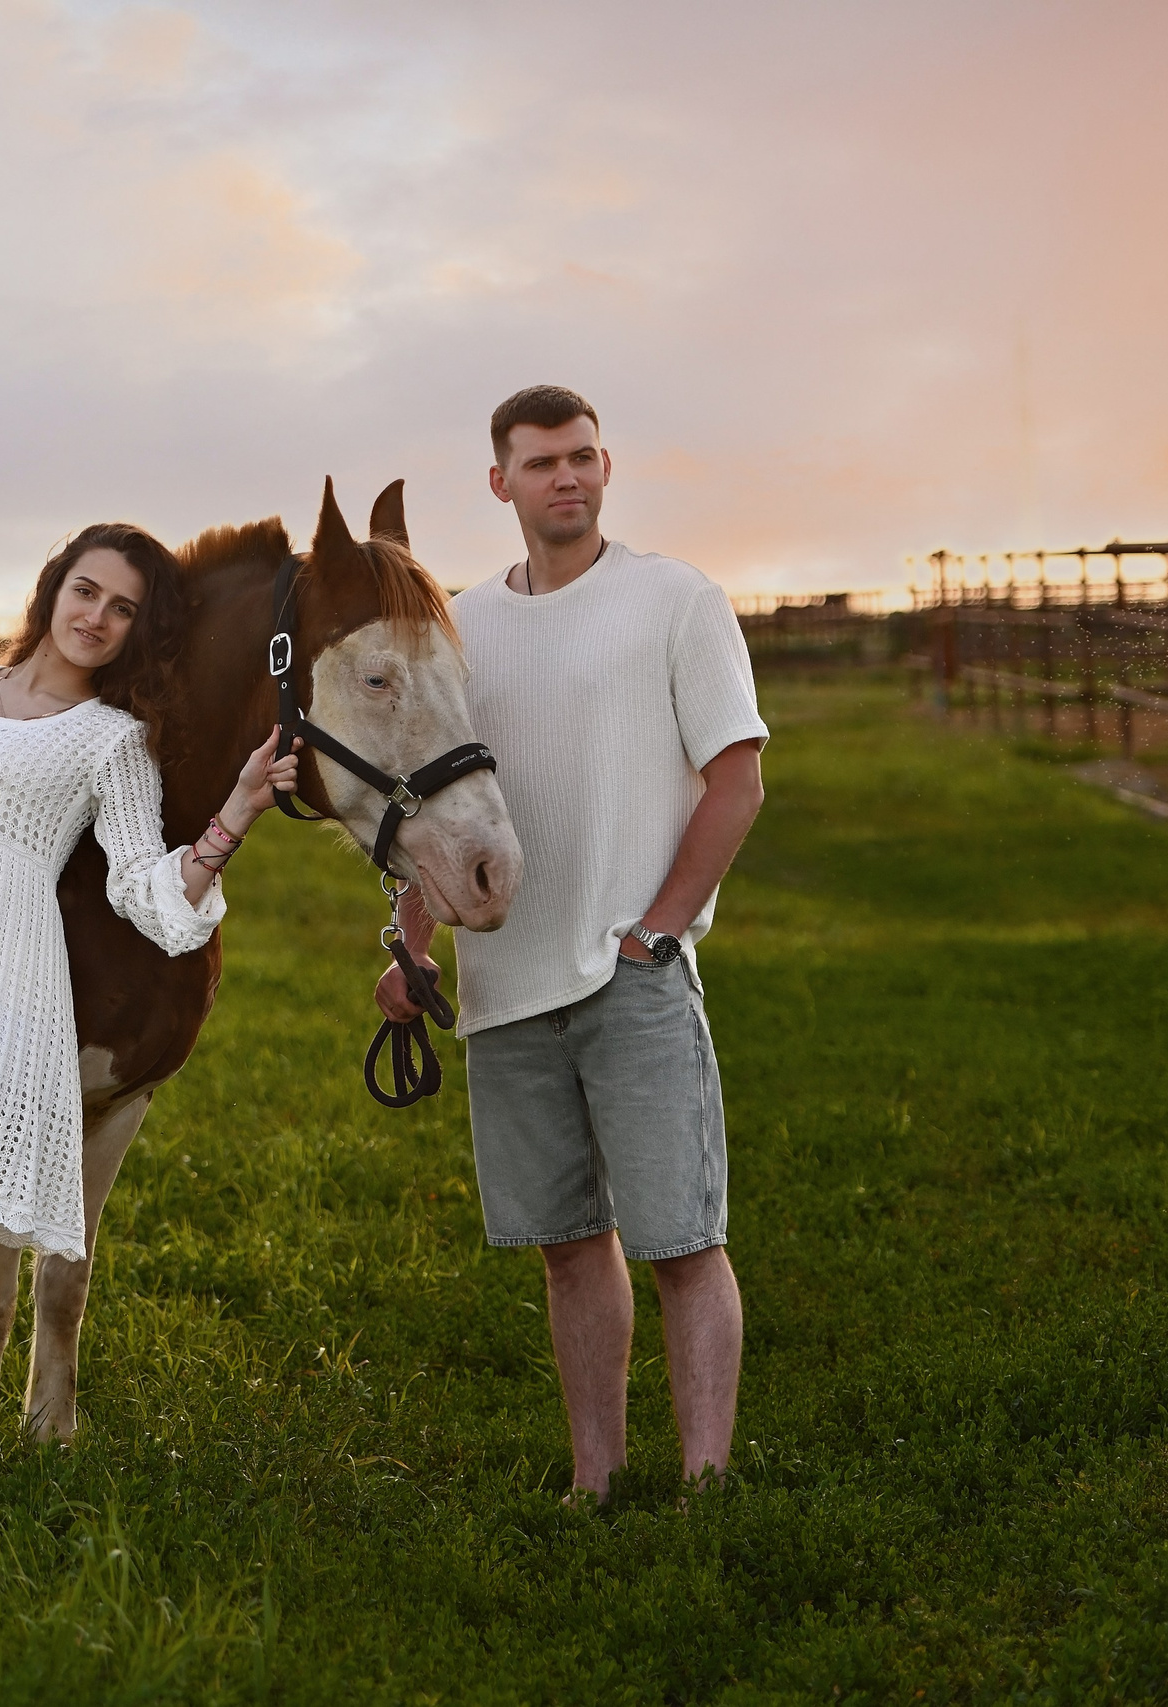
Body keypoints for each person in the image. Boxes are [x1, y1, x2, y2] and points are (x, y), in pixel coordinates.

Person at [0, 521, 300, 1530]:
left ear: (138, 632)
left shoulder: (109, 741)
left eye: (123, 610)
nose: (96, 618)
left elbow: (149, 894)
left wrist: (237, 813)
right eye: (87, 591)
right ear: (52, 587)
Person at [378, 385, 768, 1503]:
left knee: (682, 1244)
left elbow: (736, 781)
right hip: (506, 988)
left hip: (628, 972)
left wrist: (656, 928)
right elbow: (435, 807)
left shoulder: (675, 602)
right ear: (499, 482)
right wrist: (415, 948)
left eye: (584, 458)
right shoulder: (466, 625)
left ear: (607, 469)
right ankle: (594, 1482)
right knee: (564, 1245)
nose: (569, 478)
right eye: (543, 462)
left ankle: (703, 1490)